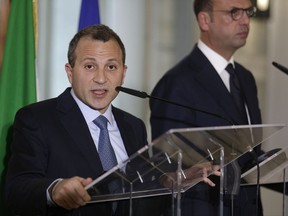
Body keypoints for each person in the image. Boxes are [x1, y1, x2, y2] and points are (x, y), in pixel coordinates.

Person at [4, 24, 220, 216]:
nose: (101, 78)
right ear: (70, 72)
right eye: (89, 66)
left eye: (111, 67)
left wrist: (173, 181)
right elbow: (16, 191)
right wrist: (54, 189)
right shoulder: (37, 119)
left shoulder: (134, 126)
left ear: (123, 73)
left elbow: (139, 191)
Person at [150, 0, 263, 215]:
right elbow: (167, 168)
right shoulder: (177, 83)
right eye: (234, 12)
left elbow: (249, 153)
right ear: (205, 20)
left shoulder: (245, 78)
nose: (246, 20)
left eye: (248, 12)